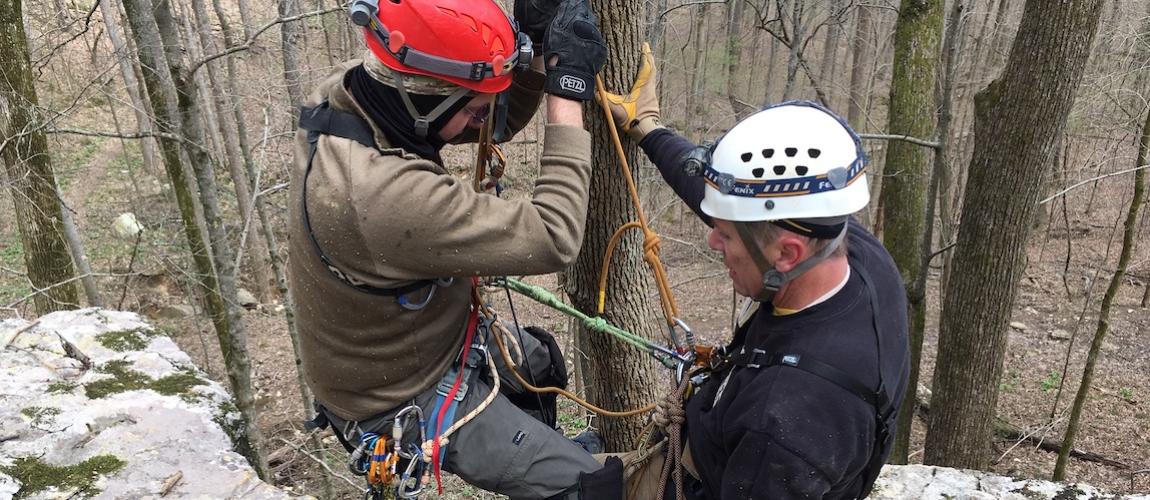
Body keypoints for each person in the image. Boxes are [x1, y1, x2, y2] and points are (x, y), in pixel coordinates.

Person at [286, 0, 623, 498]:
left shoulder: (359, 92)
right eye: (473, 107)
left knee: (539, 362)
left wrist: (526, 53)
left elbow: (481, 122)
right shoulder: (381, 197)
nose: (481, 120)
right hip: (399, 393)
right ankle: (554, 475)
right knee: (592, 488)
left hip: (424, 339)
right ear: (423, 101)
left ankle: (534, 449)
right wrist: (566, 90)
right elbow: (556, 236)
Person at [599, 44, 911, 499]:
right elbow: (722, 196)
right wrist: (648, 129)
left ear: (787, 254)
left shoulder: (787, 424)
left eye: (723, 236)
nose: (711, 240)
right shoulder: (846, 247)